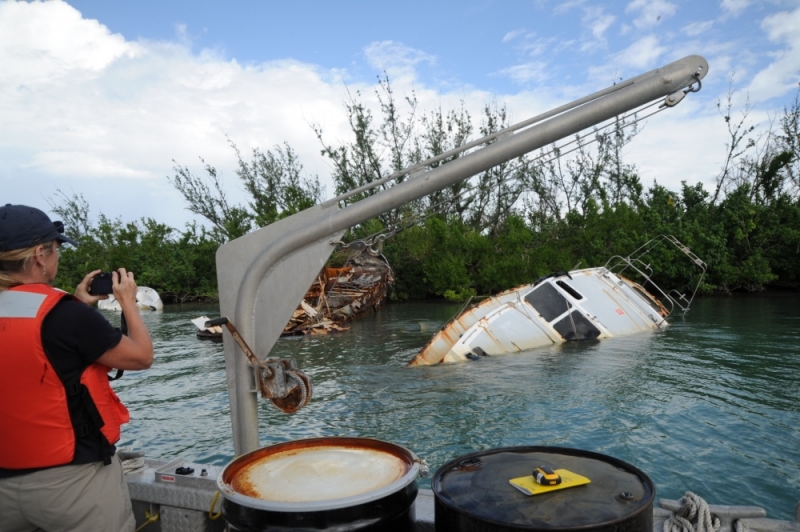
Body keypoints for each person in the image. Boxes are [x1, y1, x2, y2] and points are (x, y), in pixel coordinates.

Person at [0, 204, 154, 532]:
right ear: (40, 254)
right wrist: (127, 301)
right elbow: (141, 356)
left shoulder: (67, 315)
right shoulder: (66, 316)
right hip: (72, 483)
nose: (57, 257)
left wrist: (80, 304)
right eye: (56, 249)